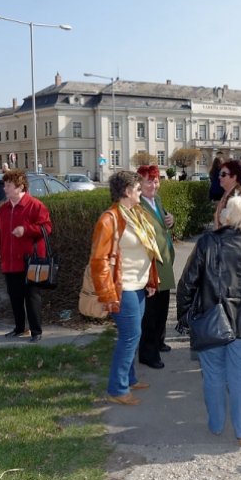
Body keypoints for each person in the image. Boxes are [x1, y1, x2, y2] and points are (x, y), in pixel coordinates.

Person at [176, 196, 241, 446]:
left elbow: (187, 283)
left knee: (213, 374)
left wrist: (185, 317)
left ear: (229, 216)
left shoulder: (209, 242)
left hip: (211, 320)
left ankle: (216, 424)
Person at [89, 170, 161, 406]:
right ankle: (117, 389)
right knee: (131, 336)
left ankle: (129, 379)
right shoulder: (109, 219)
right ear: (127, 191)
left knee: (131, 334)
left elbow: (147, 251)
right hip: (124, 288)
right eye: (138, 188)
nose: (141, 191)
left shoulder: (135, 213)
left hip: (138, 286)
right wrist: (107, 295)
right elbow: (99, 261)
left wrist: (150, 280)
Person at [0, 169, 52, 343]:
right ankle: (19, 328)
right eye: (5, 185)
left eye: (8, 185)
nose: (4, 188)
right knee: (15, 296)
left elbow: (46, 228)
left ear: (20, 187)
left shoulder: (35, 205)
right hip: (9, 261)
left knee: (32, 296)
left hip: (31, 261)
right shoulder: (3, 209)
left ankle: (36, 331)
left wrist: (26, 230)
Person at [136, 165, 176, 369]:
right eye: (149, 181)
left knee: (162, 306)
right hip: (151, 264)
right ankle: (147, 353)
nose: (153, 185)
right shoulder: (138, 204)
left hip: (164, 261)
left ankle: (159, 341)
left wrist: (171, 220)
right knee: (149, 312)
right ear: (139, 184)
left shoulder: (156, 200)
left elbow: (163, 222)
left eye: (156, 181)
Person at [213, 159, 241, 230]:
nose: (219, 177)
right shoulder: (226, 193)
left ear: (234, 177)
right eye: (220, 174)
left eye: (223, 174)